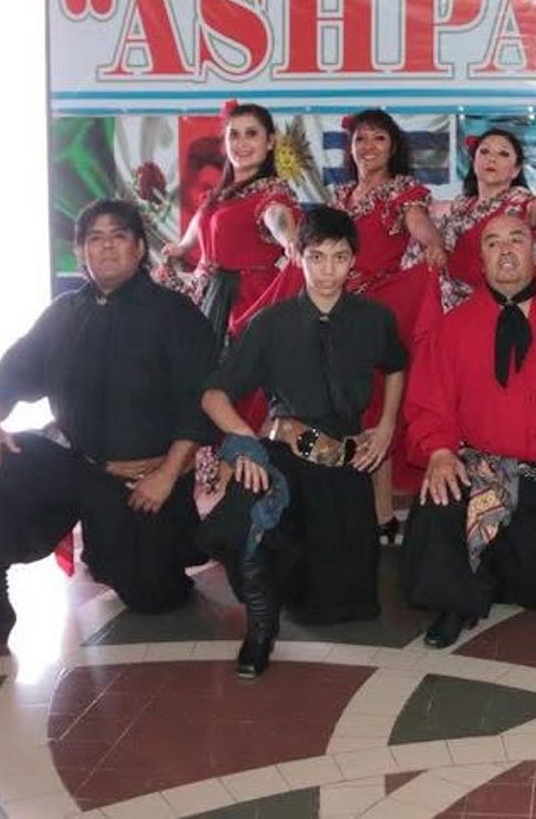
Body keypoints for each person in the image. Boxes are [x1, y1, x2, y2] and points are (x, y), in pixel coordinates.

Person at [0, 200, 216, 664]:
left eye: (119, 236)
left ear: (140, 248)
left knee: (152, 597)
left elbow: (199, 402)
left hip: (144, 481)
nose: (107, 247)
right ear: (81, 252)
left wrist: (166, 474)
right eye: (95, 238)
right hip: (71, 462)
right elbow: (13, 371)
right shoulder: (64, 313)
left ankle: (144, 556)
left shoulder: (174, 314)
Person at [193, 206, 407, 678]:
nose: (328, 271)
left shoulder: (375, 318)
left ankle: (290, 579)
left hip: (347, 468)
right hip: (286, 458)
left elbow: (396, 366)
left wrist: (387, 425)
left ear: (353, 260)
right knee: (241, 515)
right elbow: (213, 394)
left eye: (339, 258)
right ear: (299, 257)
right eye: (317, 257)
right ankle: (260, 623)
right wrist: (246, 442)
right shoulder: (271, 323)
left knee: (342, 604)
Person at [400, 214, 536, 649]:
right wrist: (439, 451)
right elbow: (428, 401)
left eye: (516, 239)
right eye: (493, 243)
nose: (506, 250)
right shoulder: (454, 326)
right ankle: (454, 601)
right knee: (441, 496)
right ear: (482, 258)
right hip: (478, 470)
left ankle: (491, 561)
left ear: (534, 250)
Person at [250, 109, 445, 533]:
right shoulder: (341, 197)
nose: (368, 147)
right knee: (319, 403)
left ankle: (380, 511)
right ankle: (313, 494)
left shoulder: (402, 189)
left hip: (375, 305)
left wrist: (433, 244)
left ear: (393, 147)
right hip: (329, 306)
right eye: (360, 139)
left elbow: (419, 223)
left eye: (378, 138)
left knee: (374, 404)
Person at [160, 101, 300, 348]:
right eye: (234, 135)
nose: (241, 143)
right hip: (207, 296)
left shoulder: (272, 193)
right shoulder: (222, 193)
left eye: (251, 134)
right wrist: (183, 246)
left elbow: (276, 215)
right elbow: (203, 217)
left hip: (244, 305)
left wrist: (289, 239)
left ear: (270, 142)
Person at [414, 127, 536, 311]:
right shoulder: (460, 206)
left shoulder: (518, 202)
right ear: (474, 161)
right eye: (484, 151)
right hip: (448, 308)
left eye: (503, 153)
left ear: (516, 170)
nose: (492, 158)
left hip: (495, 310)